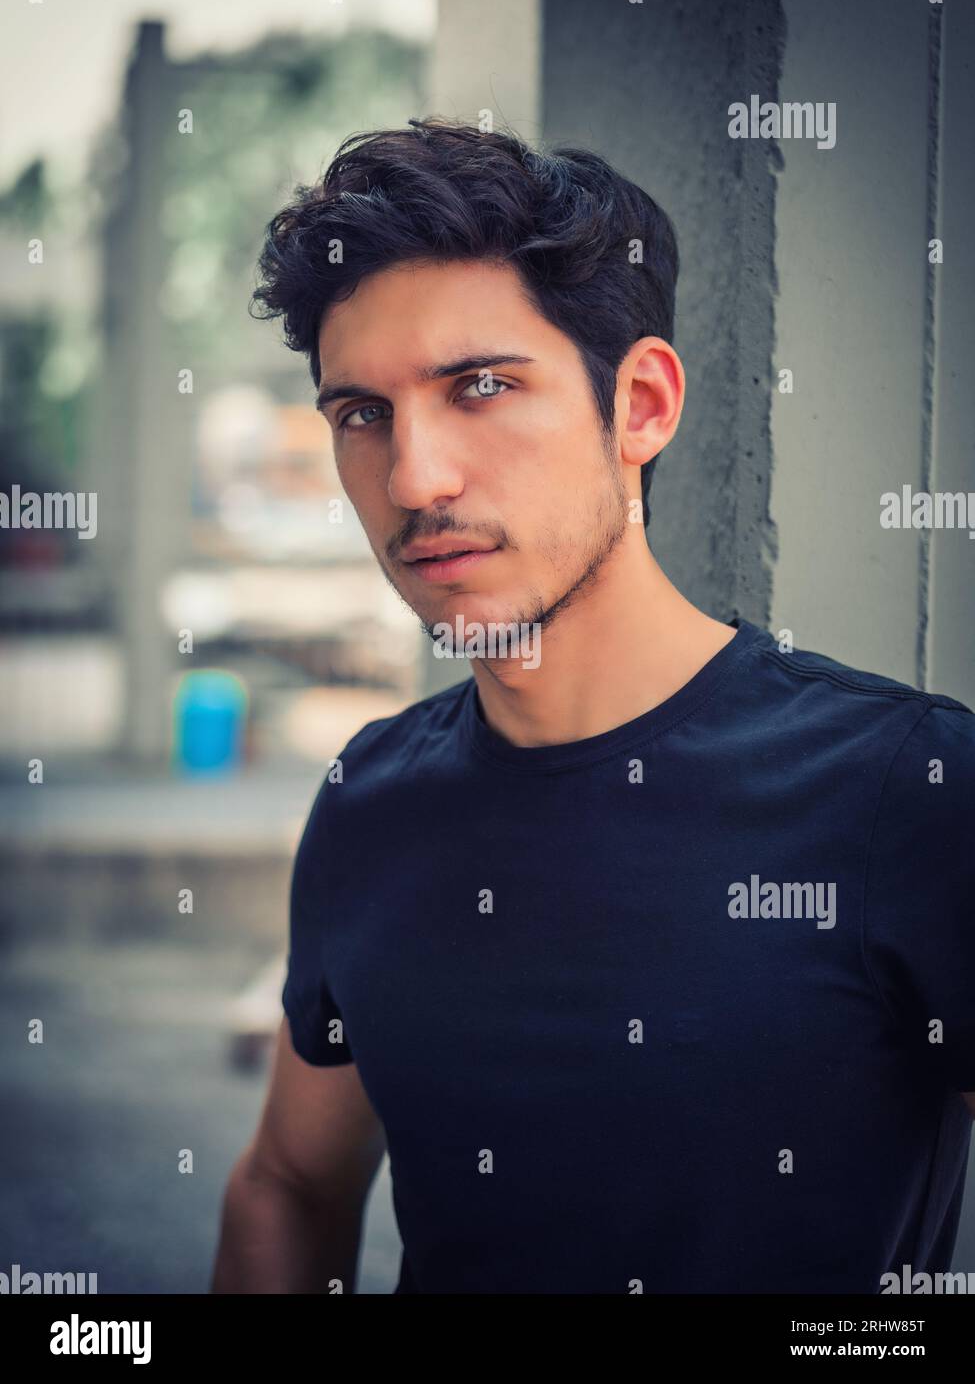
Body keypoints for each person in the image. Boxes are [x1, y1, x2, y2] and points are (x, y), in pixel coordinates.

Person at [211, 117, 975, 1295]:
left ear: (643, 406)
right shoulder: (370, 798)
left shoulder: (904, 787)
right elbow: (290, 1183)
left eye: (480, 386)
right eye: (363, 413)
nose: (415, 479)